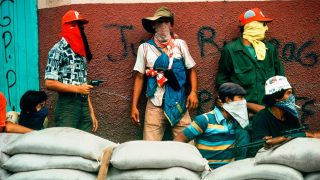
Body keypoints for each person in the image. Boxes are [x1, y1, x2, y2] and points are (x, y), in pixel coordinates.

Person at [216, 8, 285, 159]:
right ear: (250, 26)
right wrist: (235, 104)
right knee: (241, 154)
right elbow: (222, 80)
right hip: (242, 118)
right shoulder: (231, 50)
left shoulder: (269, 49)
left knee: (265, 156)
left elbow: (280, 79)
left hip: (267, 115)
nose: (266, 29)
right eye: (262, 24)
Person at [130, 7, 199, 140]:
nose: (163, 26)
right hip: (154, 105)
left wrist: (193, 92)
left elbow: (192, 69)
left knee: (187, 149)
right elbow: (139, 77)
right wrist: (134, 106)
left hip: (179, 103)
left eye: (166, 22)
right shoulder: (144, 48)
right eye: (159, 22)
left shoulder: (179, 45)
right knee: (149, 150)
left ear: (171, 25)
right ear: (153, 25)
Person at [45, 10, 98, 133]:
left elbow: (83, 84)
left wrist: (91, 112)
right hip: (67, 106)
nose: (79, 29)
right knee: (67, 145)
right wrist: (77, 89)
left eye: (81, 26)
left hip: (83, 105)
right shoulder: (57, 49)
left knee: (85, 144)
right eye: (75, 25)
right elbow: (49, 83)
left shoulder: (81, 52)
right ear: (67, 27)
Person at [174, 82, 248, 169]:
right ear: (228, 99)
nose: (244, 101)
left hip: (229, 171)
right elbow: (178, 141)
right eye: (240, 98)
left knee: (243, 133)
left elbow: (259, 113)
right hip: (208, 171)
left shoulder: (234, 121)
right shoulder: (204, 120)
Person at [251, 76, 320, 154]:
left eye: (291, 93)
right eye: (288, 93)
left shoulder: (290, 115)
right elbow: (256, 148)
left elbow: (299, 138)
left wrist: (285, 138)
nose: (292, 97)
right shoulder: (261, 117)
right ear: (277, 97)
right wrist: (266, 143)